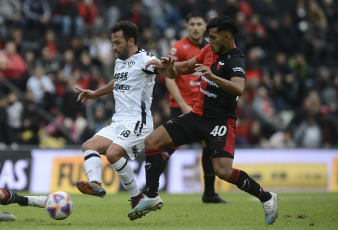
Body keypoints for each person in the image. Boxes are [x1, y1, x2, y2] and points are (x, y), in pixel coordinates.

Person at [129, 16, 279, 225]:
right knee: (152, 141)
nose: (210, 41)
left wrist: (212, 76)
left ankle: (267, 197)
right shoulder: (209, 50)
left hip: (220, 122)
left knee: (223, 171)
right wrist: (168, 66)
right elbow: (183, 68)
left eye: (213, 37)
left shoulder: (236, 60)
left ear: (227, 38)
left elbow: (239, 88)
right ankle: (152, 195)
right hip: (197, 115)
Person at [74, 20, 163, 220]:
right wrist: (96, 93)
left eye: (118, 43)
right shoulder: (120, 62)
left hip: (138, 122)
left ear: (131, 41)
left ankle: (137, 198)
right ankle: (95, 184)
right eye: (113, 43)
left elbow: (166, 70)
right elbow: (119, 81)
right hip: (119, 122)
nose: (114, 47)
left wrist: (170, 68)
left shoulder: (145, 59)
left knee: (113, 154)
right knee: (89, 145)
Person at [145, 11, 228, 204]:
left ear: (205, 27)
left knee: (209, 147)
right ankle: (149, 187)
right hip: (182, 106)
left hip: (203, 108)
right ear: (187, 26)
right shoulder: (178, 48)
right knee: (166, 146)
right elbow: (169, 78)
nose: (196, 27)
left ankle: (209, 193)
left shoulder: (210, 48)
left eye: (200, 24)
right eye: (192, 24)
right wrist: (183, 105)